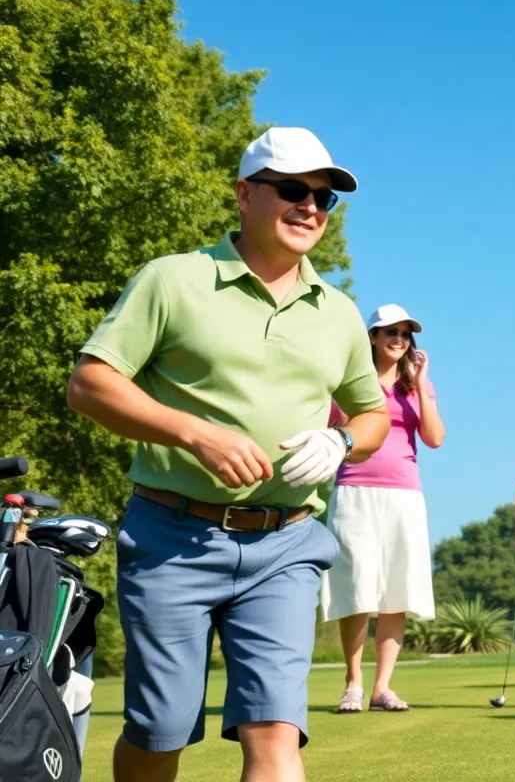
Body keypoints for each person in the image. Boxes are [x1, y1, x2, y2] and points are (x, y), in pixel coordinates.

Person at [66, 126, 390, 782]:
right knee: (158, 733)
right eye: (293, 190)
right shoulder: (174, 280)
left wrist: (342, 439)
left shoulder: (338, 313)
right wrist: (194, 433)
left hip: (287, 546)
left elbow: (373, 412)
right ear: (245, 194)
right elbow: (90, 384)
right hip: (172, 539)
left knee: (276, 733)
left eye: (323, 199)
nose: (310, 208)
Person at [321, 303, 445, 714]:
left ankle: (382, 687)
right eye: (390, 332)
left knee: (396, 589)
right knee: (356, 586)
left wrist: (422, 383)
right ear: (372, 337)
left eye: (405, 334)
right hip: (354, 489)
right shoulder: (348, 382)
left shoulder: (416, 387)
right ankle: (353, 683)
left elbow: (434, 437)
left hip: (405, 494)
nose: (398, 339)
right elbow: (328, 430)